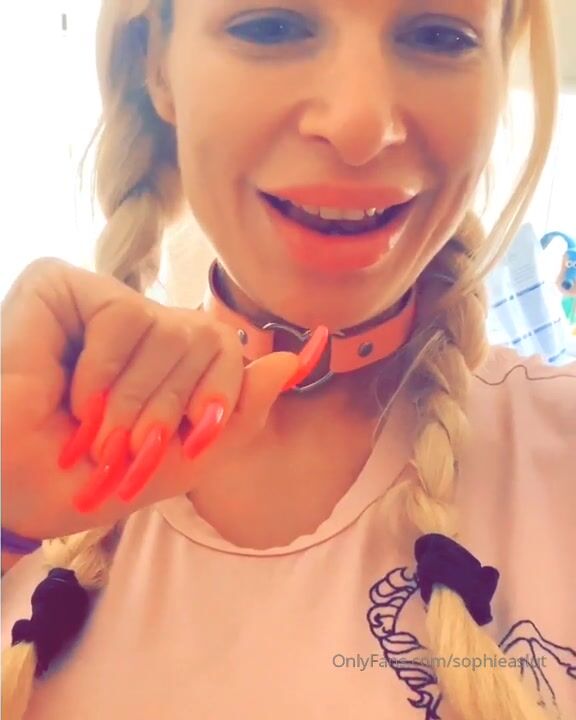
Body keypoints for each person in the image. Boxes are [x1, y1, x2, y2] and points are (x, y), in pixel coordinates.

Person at [1, 0, 575, 718]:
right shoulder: (26, 450)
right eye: (270, 26)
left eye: (439, 35)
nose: (361, 125)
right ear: (156, 66)